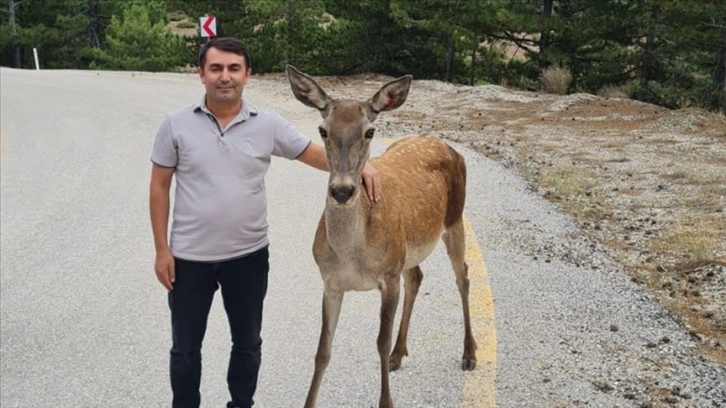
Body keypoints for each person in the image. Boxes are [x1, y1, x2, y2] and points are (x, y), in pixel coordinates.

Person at [149, 37, 381, 408]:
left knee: (247, 343)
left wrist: (359, 165)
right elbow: (159, 187)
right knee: (185, 349)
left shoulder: (267, 124)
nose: (225, 77)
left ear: (247, 76)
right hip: (188, 260)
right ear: (201, 74)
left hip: (248, 257)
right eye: (216, 68)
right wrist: (162, 250)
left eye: (233, 69)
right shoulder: (175, 125)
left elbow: (313, 153)